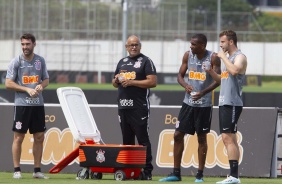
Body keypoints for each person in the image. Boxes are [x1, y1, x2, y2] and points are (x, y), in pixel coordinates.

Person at [159, 33, 221, 183]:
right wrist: (185, 85)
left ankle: (199, 175)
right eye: (191, 44)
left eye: (194, 44)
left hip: (204, 105)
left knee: (201, 138)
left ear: (202, 46)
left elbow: (219, 80)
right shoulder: (188, 55)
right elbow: (179, 76)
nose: (191, 46)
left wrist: (203, 93)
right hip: (188, 103)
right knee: (177, 135)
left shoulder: (213, 58)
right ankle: (176, 173)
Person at [112, 35, 157, 180]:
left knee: (142, 139)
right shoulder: (122, 62)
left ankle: (147, 171)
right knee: (127, 140)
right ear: (126, 47)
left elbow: (152, 82)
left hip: (139, 106)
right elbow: (114, 83)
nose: (133, 47)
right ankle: (129, 169)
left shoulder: (145, 61)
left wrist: (132, 82)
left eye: (136, 44)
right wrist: (116, 80)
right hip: (123, 106)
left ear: (140, 46)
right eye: (131, 45)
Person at [5, 33, 50, 179]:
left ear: (34, 44)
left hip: (38, 105)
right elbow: (8, 83)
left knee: (39, 136)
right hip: (22, 105)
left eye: (27, 44)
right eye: (23, 44)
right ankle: (17, 170)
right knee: (19, 137)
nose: (25, 47)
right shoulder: (16, 62)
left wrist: (40, 87)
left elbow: (46, 79)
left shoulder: (40, 61)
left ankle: (37, 170)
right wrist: (27, 89)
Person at [207, 30, 247, 184]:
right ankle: (234, 175)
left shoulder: (240, 57)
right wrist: (210, 71)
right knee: (230, 138)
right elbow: (222, 79)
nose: (220, 45)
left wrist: (223, 57)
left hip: (232, 102)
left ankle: (234, 176)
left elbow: (235, 71)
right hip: (224, 101)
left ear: (231, 42)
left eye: (223, 42)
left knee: (227, 137)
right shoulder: (228, 58)